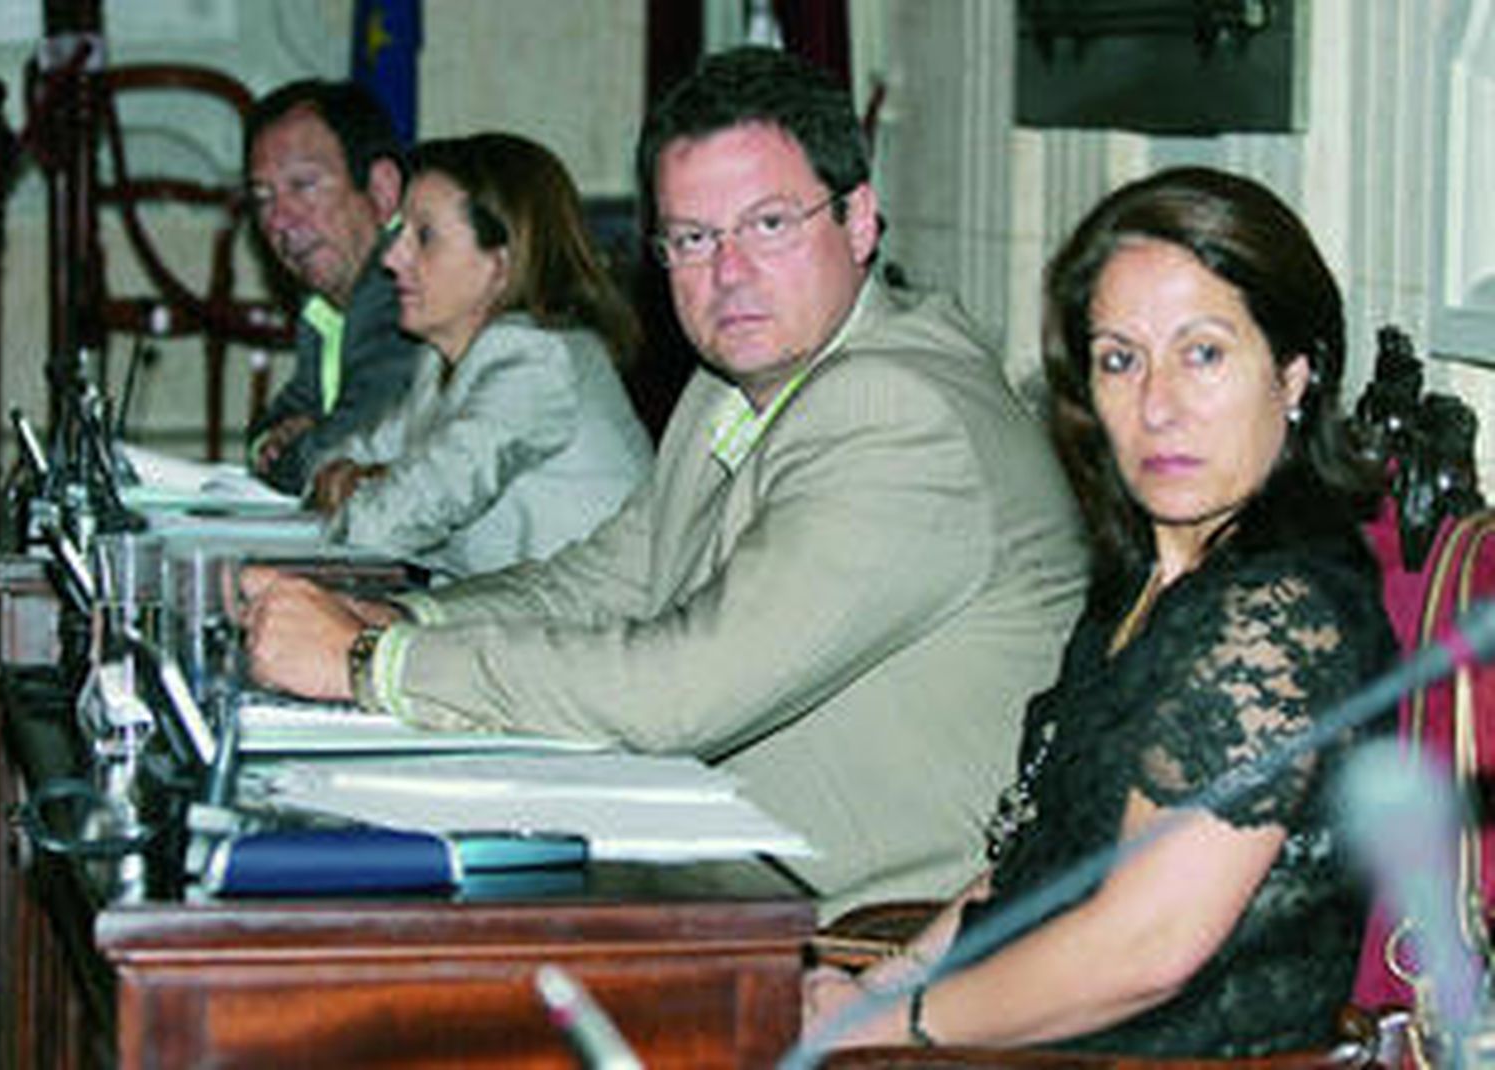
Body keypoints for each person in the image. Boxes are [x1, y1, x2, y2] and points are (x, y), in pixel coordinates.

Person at [240, 46, 1087, 914]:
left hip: (864, 939)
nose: (728, 274)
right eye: (692, 238)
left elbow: (682, 690)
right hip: (712, 872)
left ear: (860, 221)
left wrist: (371, 662)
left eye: (768, 225)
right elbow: (607, 579)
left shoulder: (900, 411)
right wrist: (401, 617)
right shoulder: (735, 380)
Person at [803, 167, 1397, 1057]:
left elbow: (1144, 948)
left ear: (1294, 374)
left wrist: (895, 1025)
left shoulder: (1280, 617)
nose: (1157, 406)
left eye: (1203, 353)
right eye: (1120, 359)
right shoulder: (1145, 586)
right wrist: (881, 982)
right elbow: (1036, 865)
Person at [304, 133, 653, 580]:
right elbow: (327, 467)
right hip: (517, 628)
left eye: (424, 237)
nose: (391, 258)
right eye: (398, 234)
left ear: (501, 264)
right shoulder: (439, 364)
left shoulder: (538, 363)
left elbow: (388, 522)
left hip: (595, 638)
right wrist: (357, 479)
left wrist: (362, 483)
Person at [243, 79, 421, 495]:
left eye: (303, 186)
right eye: (263, 198)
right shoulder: (325, 307)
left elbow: (341, 453)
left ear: (381, 190)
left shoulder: (411, 290)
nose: (279, 222)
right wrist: (268, 445)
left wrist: (294, 449)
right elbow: (275, 423)